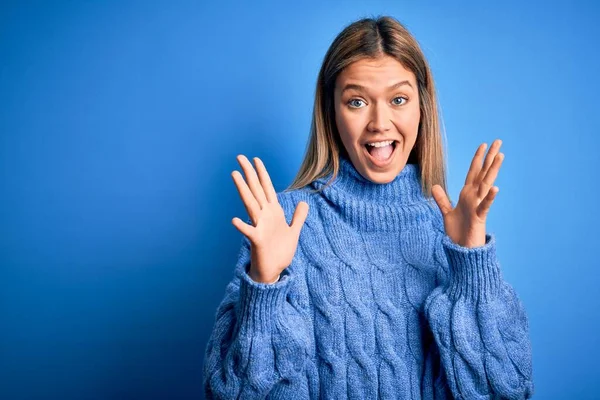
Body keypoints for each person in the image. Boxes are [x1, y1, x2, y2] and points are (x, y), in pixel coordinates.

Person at [203, 15, 534, 399]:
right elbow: (230, 394)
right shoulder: (283, 224)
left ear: (421, 107)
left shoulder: (452, 229)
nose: (380, 122)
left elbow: (509, 392)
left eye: (398, 99)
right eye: (357, 101)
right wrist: (265, 283)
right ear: (332, 112)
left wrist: (471, 262)